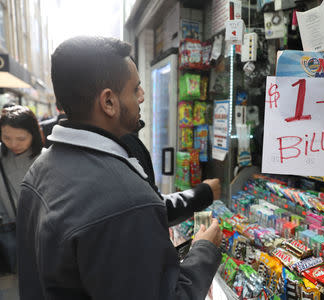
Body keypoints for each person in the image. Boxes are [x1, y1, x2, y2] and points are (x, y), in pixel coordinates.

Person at [17, 36, 222, 300]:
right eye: (135, 88)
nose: (142, 97)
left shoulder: (40, 169)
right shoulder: (125, 200)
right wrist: (204, 252)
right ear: (109, 102)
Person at [120, 120, 221, 226]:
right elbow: (153, 209)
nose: (141, 102)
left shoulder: (120, 141)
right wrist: (205, 192)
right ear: (108, 104)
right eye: (135, 101)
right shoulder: (126, 142)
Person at [0, 105, 44, 221]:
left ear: (34, 134)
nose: (13, 144)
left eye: (21, 139)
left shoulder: (47, 159)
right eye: (6, 138)